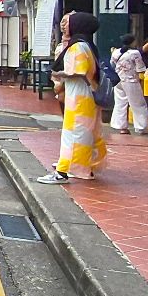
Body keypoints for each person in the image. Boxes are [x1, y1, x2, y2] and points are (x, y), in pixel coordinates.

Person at [39, 12, 108, 183]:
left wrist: (57, 73)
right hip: (83, 96)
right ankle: (83, 168)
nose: (64, 25)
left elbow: (77, 71)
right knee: (84, 134)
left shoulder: (78, 46)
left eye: (68, 22)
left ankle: (62, 172)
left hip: (79, 97)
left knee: (73, 134)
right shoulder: (86, 44)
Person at [109, 35, 147, 135]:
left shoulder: (116, 52)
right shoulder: (135, 53)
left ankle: (121, 127)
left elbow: (112, 64)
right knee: (138, 104)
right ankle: (141, 127)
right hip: (131, 80)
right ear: (133, 42)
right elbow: (141, 68)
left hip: (118, 80)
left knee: (120, 103)